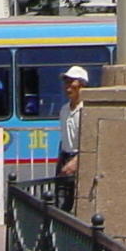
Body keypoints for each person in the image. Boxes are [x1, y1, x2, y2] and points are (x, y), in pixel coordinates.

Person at [55, 65, 89, 213]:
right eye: (66, 83)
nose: (68, 87)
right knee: (61, 202)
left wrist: (77, 161)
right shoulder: (64, 109)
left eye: (71, 82)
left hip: (80, 158)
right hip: (65, 156)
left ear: (82, 85)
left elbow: (90, 141)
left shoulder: (87, 110)